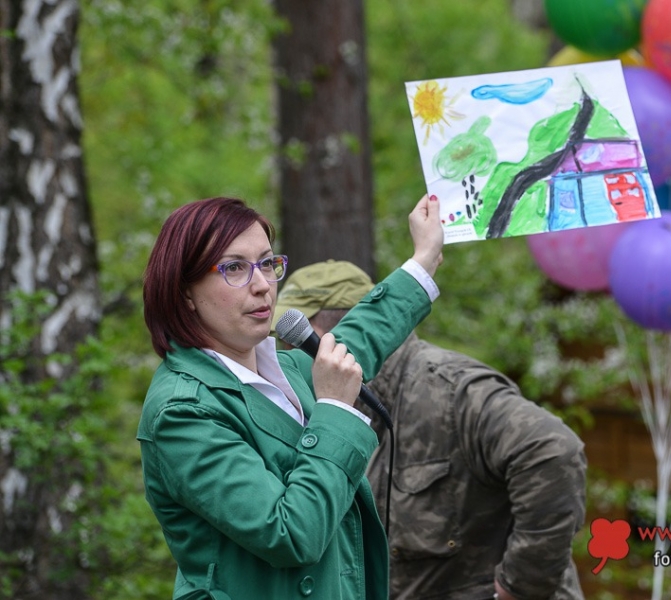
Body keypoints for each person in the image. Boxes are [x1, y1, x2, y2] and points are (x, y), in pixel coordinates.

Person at [137, 194, 444, 599]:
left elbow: (360, 335)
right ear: (185, 292)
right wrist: (334, 409)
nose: (262, 285)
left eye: (267, 263)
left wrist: (424, 259)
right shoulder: (183, 411)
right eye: (234, 268)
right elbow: (291, 534)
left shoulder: (290, 367)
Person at [273, 260, 588, 600]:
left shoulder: (451, 390)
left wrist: (520, 587)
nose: (283, 355)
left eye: (290, 343)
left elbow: (553, 450)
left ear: (328, 335)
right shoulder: (332, 406)